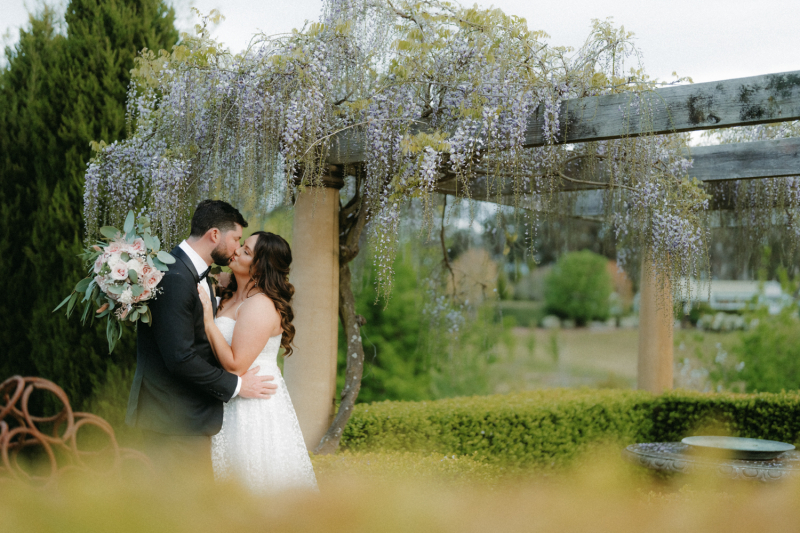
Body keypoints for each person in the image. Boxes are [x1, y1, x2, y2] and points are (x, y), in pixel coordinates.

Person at [126, 200, 278, 478]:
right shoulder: (175, 277)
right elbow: (180, 358)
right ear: (214, 235)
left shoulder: (194, 274)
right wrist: (236, 385)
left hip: (187, 418)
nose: (236, 249)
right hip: (172, 420)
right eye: (236, 239)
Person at [198, 231, 317, 493]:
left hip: (252, 406)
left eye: (247, 252)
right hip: (228, 397)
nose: (237, 250)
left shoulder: (260, 305)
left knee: (250, 482)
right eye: (242, 245)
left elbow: (236, 365)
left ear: (260, 267)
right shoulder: (229, 292)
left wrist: (208, 322)